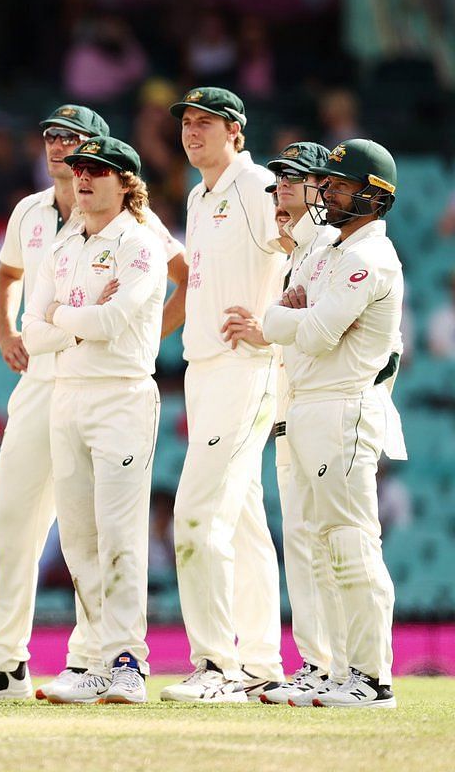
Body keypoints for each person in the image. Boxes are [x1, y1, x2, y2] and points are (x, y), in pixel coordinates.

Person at [0, 104, 187, 703]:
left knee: (108, 526)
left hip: (110, 381)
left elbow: (185, 277)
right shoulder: (32, 212)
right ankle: (5, 663)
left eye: (79, 145)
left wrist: (138, 335)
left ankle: (97, 658)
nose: (64, 152)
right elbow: (11, 282)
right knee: (16, 520)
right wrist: (11, 333)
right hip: (45, 382)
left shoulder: (136, 224)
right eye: (54, 138)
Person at [21, 136, 167, 704]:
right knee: (78, 537)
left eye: (97, 171)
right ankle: (95, 662)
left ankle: (129, 660)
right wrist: (74, 317)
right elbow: (32, 332)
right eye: (79, 169)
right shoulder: (62, 246)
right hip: (67, 394)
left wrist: (64, 316)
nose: (82, 179)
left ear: (126, 182)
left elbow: (113, 324)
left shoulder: (141, 245)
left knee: (119, 535)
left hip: (121, 395)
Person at [263, 138, 405, 708]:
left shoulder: (370, 259)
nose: (326, 192)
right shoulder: (334, 252)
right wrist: (289, 316)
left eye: (340, 185)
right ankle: (344, 670)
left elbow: (316, 333)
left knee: (351, 542)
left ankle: (374, 679)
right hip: (312, 403)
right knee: (323, 545)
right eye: (326, 183)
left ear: (373, 197)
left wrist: (287, 318)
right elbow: (293, 318)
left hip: (345, 405)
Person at [160, 87, 285, 703]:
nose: (192, 132)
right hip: (204, 367)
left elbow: (306, 251)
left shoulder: (259, 185)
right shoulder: (197, 195)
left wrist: (273, 324)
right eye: (186, 123)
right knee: (243, 521)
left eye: (206, 123)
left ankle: (218, 667)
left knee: (198, 514)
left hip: (246, 365)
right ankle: (261, 663)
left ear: (236, 130)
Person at [220, 141, 340, 705]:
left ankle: (345, 666)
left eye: (295, 178)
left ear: (325, 187)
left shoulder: (335, 249)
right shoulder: (297, 255)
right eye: (278, 182)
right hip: (295, 411)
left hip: (331, 410)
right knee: (300, 539)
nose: (282, 189)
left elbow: (322, 329)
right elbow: (288, 326)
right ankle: (318, 664)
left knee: (334, 541)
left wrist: (272, 323)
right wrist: (274, 325)